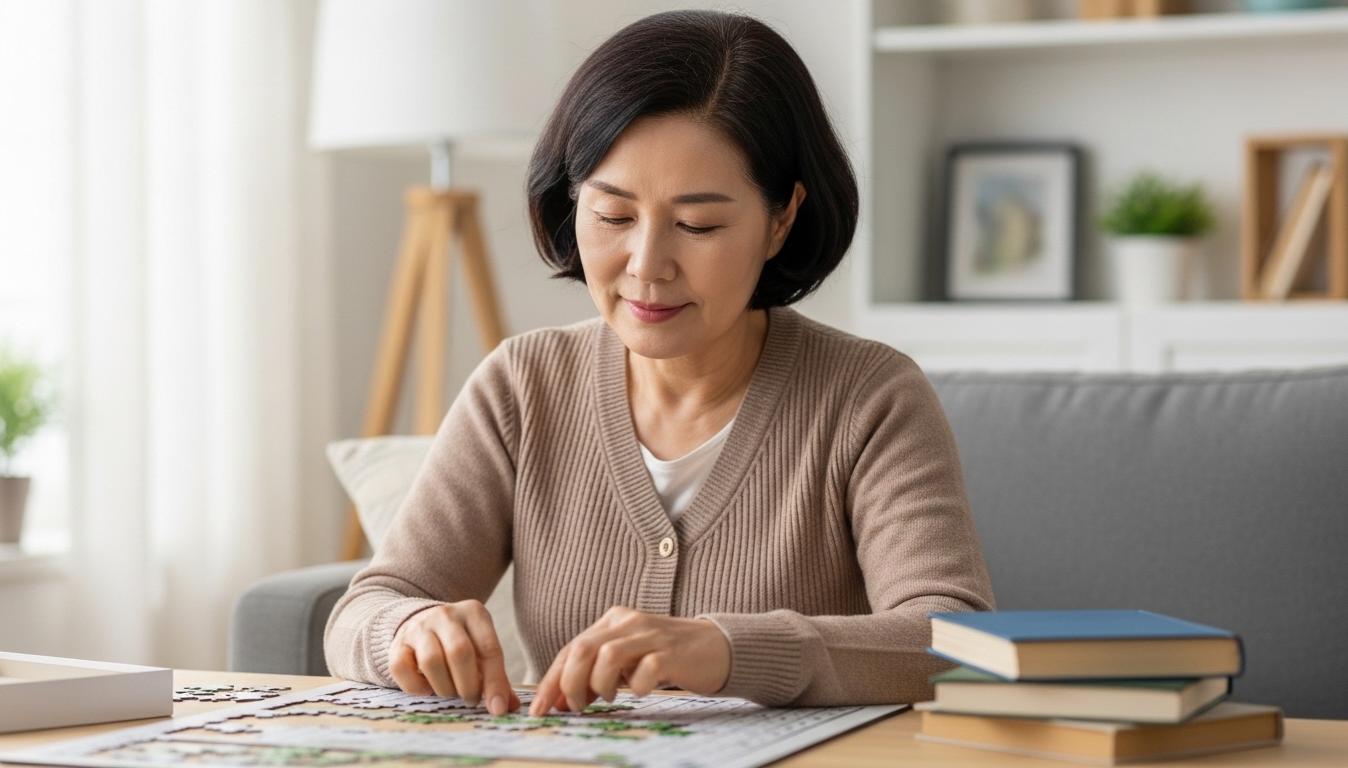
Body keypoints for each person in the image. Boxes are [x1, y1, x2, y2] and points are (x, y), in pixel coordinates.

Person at [324, 10, 994, 718]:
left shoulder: (870, 397)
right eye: (613, 216)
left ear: (781, 219)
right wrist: (407, 627)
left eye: (698, 225)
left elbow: (956, 642)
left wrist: (729, 649)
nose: (647, 266)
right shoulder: (523, 385)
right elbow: (365, 609)